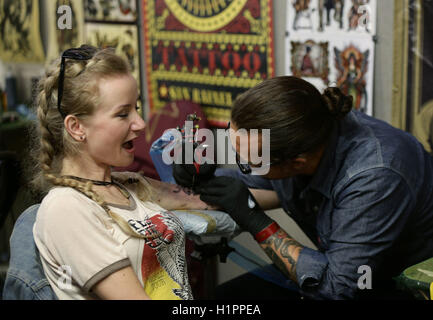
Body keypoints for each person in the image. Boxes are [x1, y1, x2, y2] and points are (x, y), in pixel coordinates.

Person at [173, 76, 433, 299]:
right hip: (341, 267)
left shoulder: (374, 175)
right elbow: (253, 186)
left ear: (296, 162)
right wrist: (199, 178)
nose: (243, 165)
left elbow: (337, 288)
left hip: (395, 284)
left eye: (249, 162)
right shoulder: (302, 129)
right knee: (225, 299)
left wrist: (253, 219)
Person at [29, 45, 211, 300]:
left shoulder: (127, 185)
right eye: (123, 114)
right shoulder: (67, 208)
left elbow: (203, 200)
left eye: (136, 109)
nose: (141, 124)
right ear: (77, 127)